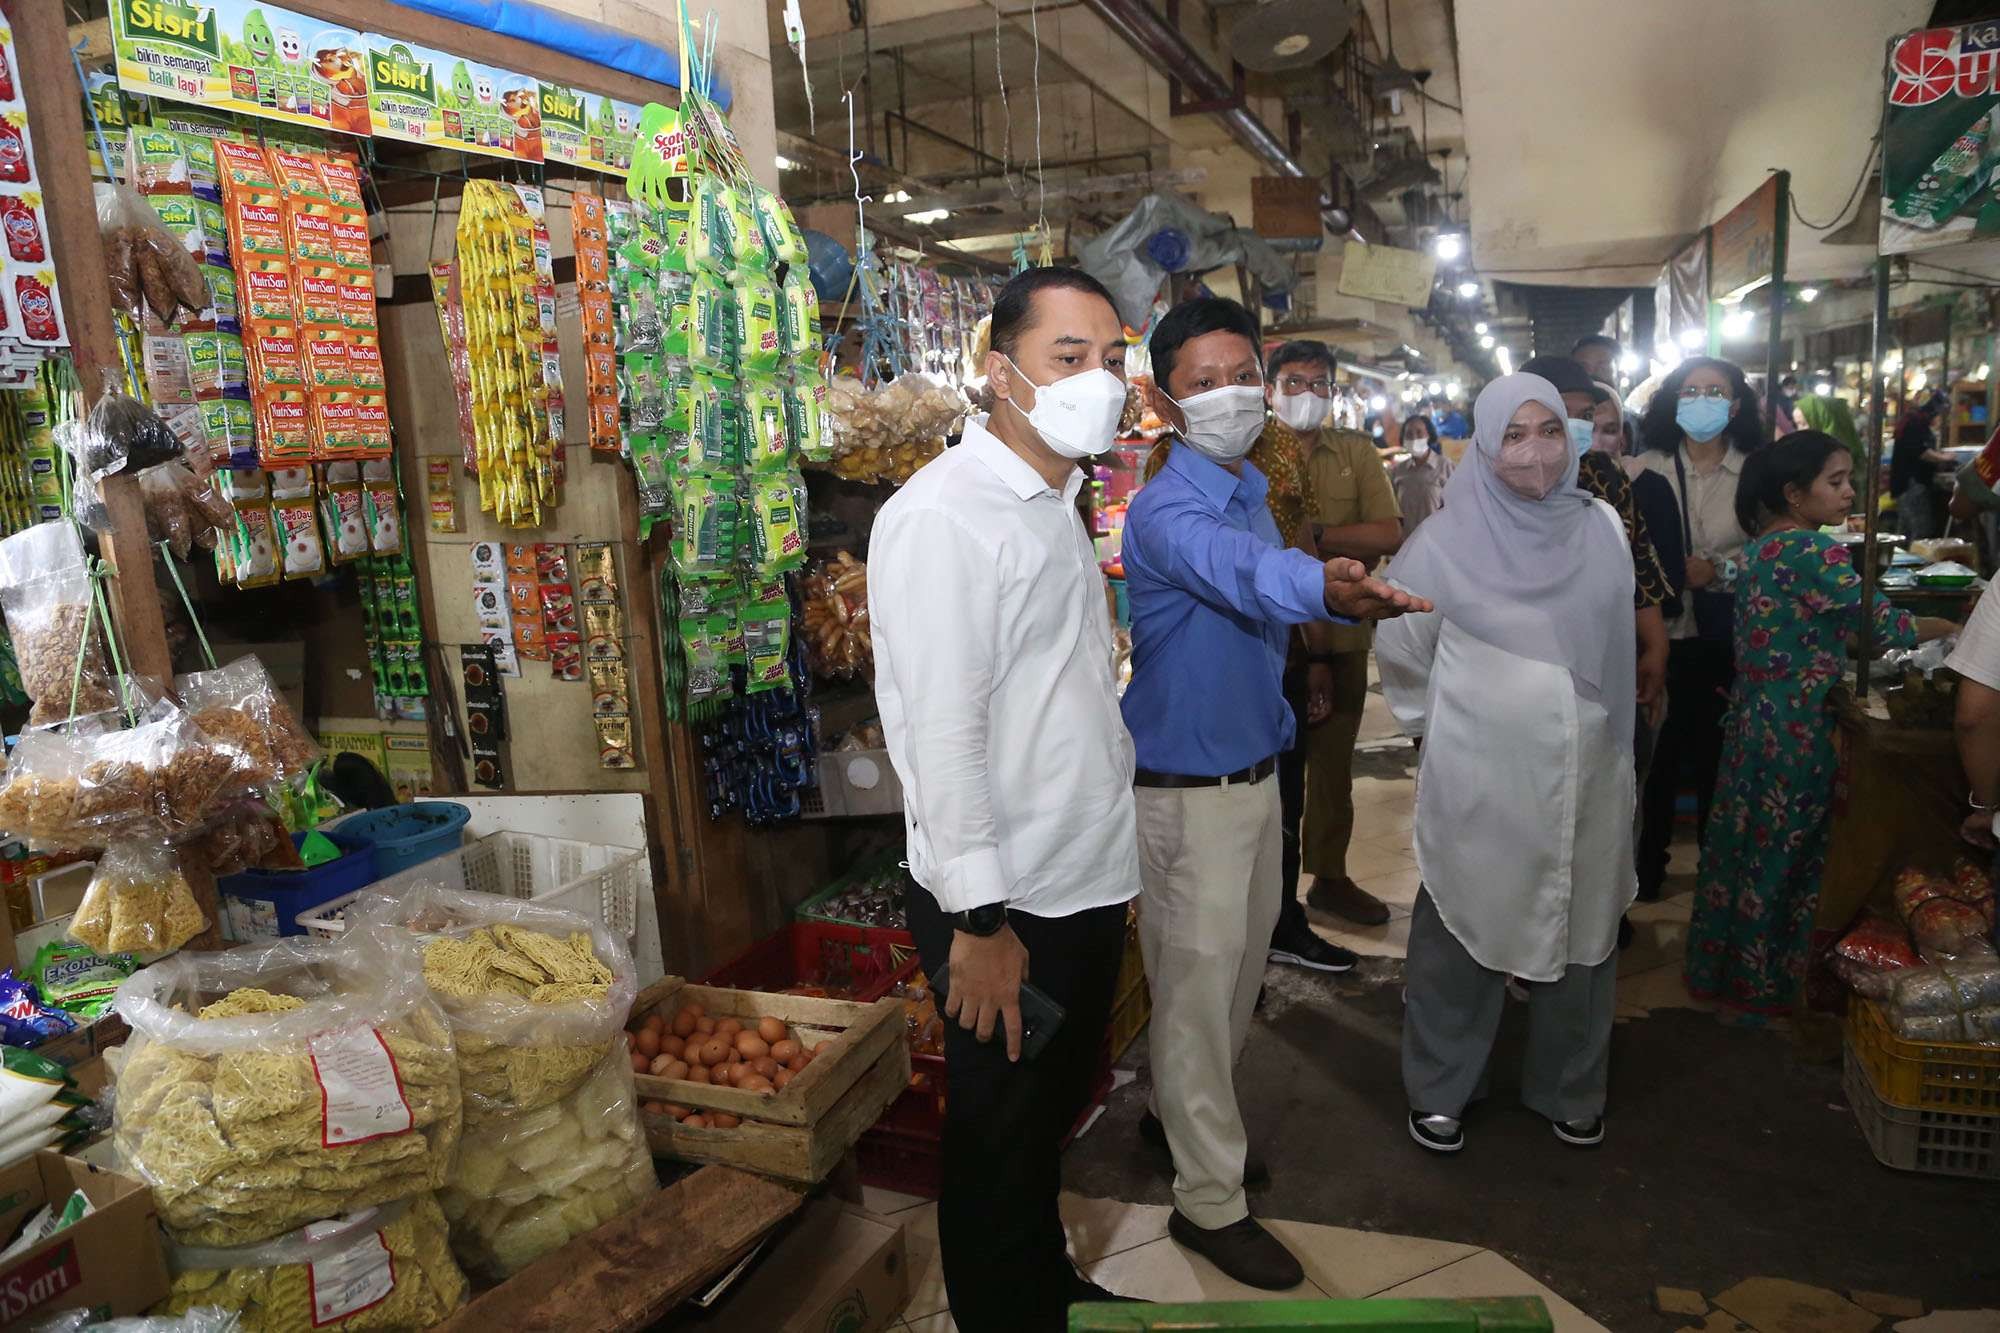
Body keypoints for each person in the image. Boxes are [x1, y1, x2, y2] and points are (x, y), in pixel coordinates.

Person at [1121, 297, 1426, 1289]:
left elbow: (1256, 586)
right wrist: (1326, 590)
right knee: (1198, 998)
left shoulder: (1248, 484)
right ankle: (1206, 1201)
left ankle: (1177, 1119)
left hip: (1250, 778)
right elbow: (1244, 575)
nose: (1227, 396)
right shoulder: (1170, 509)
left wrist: (1303, 678)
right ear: (1165, 401)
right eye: (1200, 383)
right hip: (1186, 796)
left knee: (1226, 987)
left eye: (1237, 373)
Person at [869, 267, 1144, 1331]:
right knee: (994, 1137)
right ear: (1000, 374)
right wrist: (978, 922)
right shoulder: (945, 516)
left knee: (1039, 1126)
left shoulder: (1053, 501)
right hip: (1006, 899)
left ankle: (1044, 1288)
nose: (1098, 381)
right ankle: (1003, 1313)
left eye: (1111, 359)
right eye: (1065, 359)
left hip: (1072, 876)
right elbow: (940, 735)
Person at [1377, 373, 1636, 1154]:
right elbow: (1403, 652)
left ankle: (1569, 1085)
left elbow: (1615, 638)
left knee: (1583, 927)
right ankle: (1442, 1085)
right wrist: (1453, 726)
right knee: (1464, 919)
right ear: (1486, 444)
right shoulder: (1440, 544)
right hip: (1482, 771)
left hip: (1591, 769)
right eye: (1515, 434)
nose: (1535, 452)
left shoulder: (1602, 527)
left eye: (1550, 430)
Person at [1686, 433, 1953, 1021]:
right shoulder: (1816, 552)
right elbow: (1886, 626)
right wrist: (1965, 628)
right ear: (1794, 493)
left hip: (1753, 720)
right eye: (1835, 481)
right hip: (1801, 727)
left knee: (1744, 847)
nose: (1848, 492)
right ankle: (1775, 986)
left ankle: (1722, 974)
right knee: (1790, 854)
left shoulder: (1763, 549)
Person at [1248, 339, 1386, 971]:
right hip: (1265, 642)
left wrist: (1308, 539)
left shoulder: (1353, 452)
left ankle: (1326, 877)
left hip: (1338, 638)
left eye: (1319, 383)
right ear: (1271, 387)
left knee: (1328, 769)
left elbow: (1387, 533)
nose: (1306, 394)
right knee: (1270, 777)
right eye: (1293, 382)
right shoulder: (1246, 448)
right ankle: (1267, 906)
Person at [1633, 356, 1763, 902]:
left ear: (1734, 405)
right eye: (1692, 391)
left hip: (1723, 639)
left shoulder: (1758, 472)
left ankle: (1719, 878)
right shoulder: (1645, 468)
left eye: (1715, 391)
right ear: (1674, 400)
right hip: (1655, 637)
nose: (1703, 400)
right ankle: (1644, 872)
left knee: (1717, 761)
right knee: (1654, 762)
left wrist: (1722, 570)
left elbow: (1777, 555)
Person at [1518, 356, 1671, 711]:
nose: (1575, 425)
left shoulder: (1604, 475)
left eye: (1585, 415)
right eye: (1560, 410)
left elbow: (1638, 562)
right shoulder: (1493, 483)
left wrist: (1656, 646)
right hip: (1521, 661)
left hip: (1603, 652)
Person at [1892, 390, 1954, 540]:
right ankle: (1914, 562)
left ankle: (1903, 561)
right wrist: (1944, 457)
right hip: (1911, 484)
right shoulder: (1915, 422)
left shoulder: (1915, 420)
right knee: (1920, 531)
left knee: (1906, 532)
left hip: (1908, 484)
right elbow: (1921, 451)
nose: (1939, 416)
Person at [1390, 414, 1452, 540]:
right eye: (1409, 434)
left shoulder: (1445, 466)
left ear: (1429, 435)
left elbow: (1458, 506)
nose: (1414, 438)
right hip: (1406, 544)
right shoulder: (1398, 471)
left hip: (1439, 542)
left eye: (1419, 433)